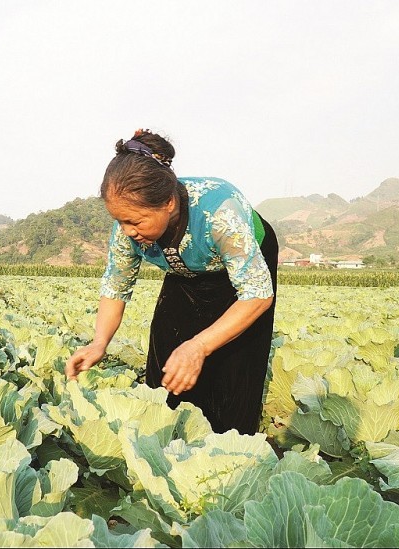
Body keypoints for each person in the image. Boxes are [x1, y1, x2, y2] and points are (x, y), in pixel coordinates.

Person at [65, 129, 278, 435]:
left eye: (135, 221)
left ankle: (231, 445)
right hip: (185, 268)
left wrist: (200, 346)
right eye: (120, 221)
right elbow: (116, 286)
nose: (127, 231)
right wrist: (100, 342)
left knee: (234, 360)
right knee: (167, 347)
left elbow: (257, 295)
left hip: (243, 264)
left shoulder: (220, 213)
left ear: (167, 203)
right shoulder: (129, 230)